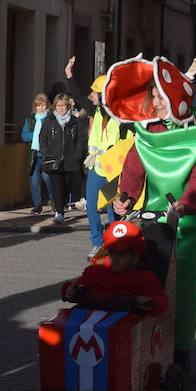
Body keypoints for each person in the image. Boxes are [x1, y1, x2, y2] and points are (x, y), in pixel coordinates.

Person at [110, 60, 196, 370]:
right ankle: (147, 348)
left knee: (186, 292)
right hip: (157, 220)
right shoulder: (147, 133)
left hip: (194, 222)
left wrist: (185, 205)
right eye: (152, 97)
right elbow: (133, 169)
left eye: (160, 97)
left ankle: (180, 355)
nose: (154, 103)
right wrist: (125, 199)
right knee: (148, 282)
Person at [60, 221, 168, 314]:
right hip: (92, 319)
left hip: (125, 325)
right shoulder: (94, 272)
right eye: (112, 252)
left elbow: (160, 300)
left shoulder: (145, 278)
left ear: (135, 257)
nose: (115, 258)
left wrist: (151, 303)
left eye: (121, 254)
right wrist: (70, 291)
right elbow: (76, 286)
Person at [84, 75, 127, 257]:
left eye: (95, 92)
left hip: (113, 171)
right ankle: (97, 242)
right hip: (97, 167)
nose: (91, 95)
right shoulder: (99, 112)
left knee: (112, 209)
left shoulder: (120, 116)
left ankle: (115, 243)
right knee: (92, 206)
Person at [38, 93, 85, 226]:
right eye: (58, 106)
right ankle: (59, 213)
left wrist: (77, 154)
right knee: (57, 186)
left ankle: (62, 206)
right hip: (54, 160)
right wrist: (47, 154)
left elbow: (80, 140)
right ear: (54, 107)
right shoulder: (49, 121)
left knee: (67, 185)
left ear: (68, 106)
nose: (61, 108)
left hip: (70, 160)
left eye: (63, 106)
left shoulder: (75, 122)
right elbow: (43, 139)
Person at [20, 92, 50, 214]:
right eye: (38, 105)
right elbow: (24, 136)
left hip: (47, 154)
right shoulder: (30, 120)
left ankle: (54, 201)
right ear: (35, 107)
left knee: (48, 178)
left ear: (47, 106)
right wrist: (36, 134)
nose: (41, 108)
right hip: (34, 155)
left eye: (43, 105)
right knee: (34, 180)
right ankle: (37, 205)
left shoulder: (50, 119)